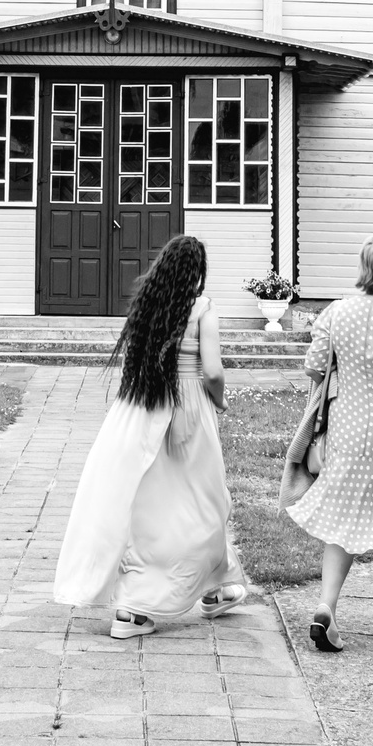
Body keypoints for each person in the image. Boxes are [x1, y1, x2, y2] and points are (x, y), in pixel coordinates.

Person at [53, 235, 250, 638]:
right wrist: (220, 401)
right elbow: (212, 372)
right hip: (189, 408)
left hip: (141, 408)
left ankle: (213, 587)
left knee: (148, 506)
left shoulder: (147, 306)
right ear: (196, 272)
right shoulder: (202, 309)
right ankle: (142, 606)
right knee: (205, 502)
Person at [289, 235, 373, 650]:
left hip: (346, 428)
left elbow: (313, 367)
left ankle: (327, 605)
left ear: (363, 266)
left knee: (343, 519)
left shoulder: (336, 312)